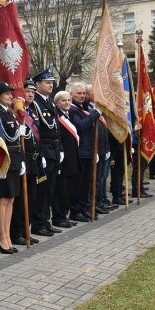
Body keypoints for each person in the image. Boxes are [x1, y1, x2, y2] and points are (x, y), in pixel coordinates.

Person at [29, 70, 65, 234]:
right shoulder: (35, 103)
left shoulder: (49, 102)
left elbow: (56, 129)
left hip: (54, 150)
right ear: (37, 85)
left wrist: (61, 149)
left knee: (50, 188)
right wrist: (42, 153)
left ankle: (46, 220)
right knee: (42, 190)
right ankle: (38, 224)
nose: (51, 85)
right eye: (47, 82)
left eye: (52, 82)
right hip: (45, 150)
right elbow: (39, 130)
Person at [0, 81, 25, 253]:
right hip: (3, 159)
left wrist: (22, 160)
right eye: (6, 94)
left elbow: (15, 138)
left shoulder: (9, 113)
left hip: (14, 159)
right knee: (3, 199)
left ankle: (7, 236)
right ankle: (1, 237)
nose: (11, 96)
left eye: (10, 93)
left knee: (11, 199)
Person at [10, 78, 41, 246]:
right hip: (23, 160)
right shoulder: (16, 111)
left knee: (31, 198)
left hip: (34, 160)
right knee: (21, 199)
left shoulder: (32, 111)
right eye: (27, 91)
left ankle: (26, 230)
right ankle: (17, 233)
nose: (30, 94)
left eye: (32, 92)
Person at [69, 82, 105, 219]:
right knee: (78, 185)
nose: (82, 96)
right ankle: (75, 211)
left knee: (86, 184)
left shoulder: (83, 108)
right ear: (72, 94)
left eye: (84, 93)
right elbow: (80, 126)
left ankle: (84, 208)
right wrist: (95, 114)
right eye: (79, 93)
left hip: (88, 151)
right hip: (79, 153)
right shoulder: (72, 110)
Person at [54, 90, 83, 221]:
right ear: (57, 103)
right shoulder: (56, 116)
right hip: (64, 158)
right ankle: (60, 216)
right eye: (63, 100)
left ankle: (71, 213)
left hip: (73, 157)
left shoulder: (69, 114)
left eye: (68, 100)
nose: (67, 103)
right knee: (62, 190)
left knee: (72, 188)